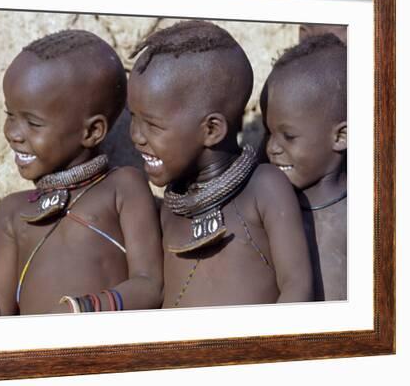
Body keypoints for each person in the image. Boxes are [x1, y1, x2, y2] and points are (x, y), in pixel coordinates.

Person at [127, 20, 313, 308]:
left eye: (152, 124)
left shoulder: (264, 187)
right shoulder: (173, 207)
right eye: (132, 118)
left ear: (212, 129)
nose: (136, 136)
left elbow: (297, 287)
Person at [0, 30, 163, 316]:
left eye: (33, 123)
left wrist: (83, 310)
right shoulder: (12, 210)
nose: (12, 133)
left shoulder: (122, 187)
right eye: (10, 114)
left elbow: (150, 285)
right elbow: (0, 309)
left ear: (92, 131)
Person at [261, 33, 347, 301]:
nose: (272, 148)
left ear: (340, 137)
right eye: (268, 133)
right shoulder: (267, 205)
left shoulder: (373, 215)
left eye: (288, 136)